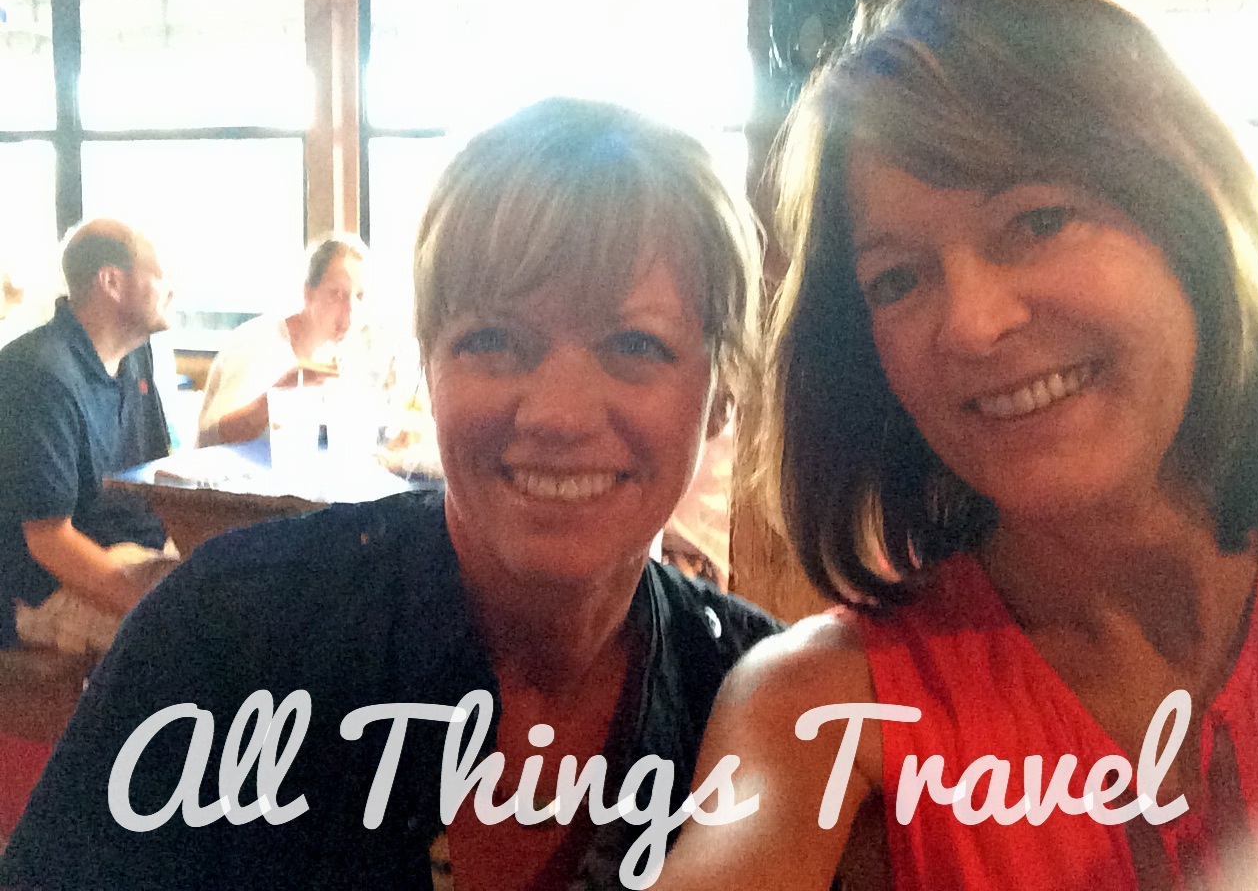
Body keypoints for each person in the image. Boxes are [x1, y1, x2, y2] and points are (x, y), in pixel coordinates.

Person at [0, 98, 781, 890]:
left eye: (636, 344)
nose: (558, 414)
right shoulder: (227, 636)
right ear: (429, 371)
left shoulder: (765, 706)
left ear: (723, 392)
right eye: (493, 339)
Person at [654, 0, 1258, 891]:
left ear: (1192, 214)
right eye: (899, 279)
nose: (973, 325)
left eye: (1038, 221)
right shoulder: (824, 707)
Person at [0, 219, 179, 655]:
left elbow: (156, 477)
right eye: (160, 274)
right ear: (111, 282)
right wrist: (157, 609)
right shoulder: (38, 374)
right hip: (53, 587)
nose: (172, 289)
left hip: (136, 553)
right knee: (205, 641)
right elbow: (49, 541)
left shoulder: (136, 356)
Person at [195, 234, 369, 446]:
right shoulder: (258, 343)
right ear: (308, 294)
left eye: (358, 296)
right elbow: (209, 435)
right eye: (336, 294)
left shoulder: (336, 355)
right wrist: (281, 391)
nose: (350, 311)